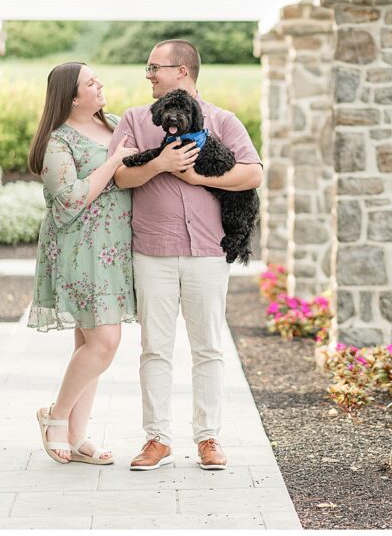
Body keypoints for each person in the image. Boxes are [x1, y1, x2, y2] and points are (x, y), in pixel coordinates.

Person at [110, 39, 262, 471]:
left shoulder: (223, 120)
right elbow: (119, 177)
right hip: (153, 249)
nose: (149, 75)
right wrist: (158, 165)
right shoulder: (136, 120)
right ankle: (157, 438)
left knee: (209, 348)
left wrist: (195, 177)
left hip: (207, 251)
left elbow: (253, 172)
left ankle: (208, 437)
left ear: (183, 71)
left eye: (154, 67)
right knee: (155, 348)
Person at [26, 61, 138, 464]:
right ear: (72, 97)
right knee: (105, 343)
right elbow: (70, 201)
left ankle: (77, 434)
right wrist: (113, 162)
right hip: (80, 251)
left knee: (89, 344)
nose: (100, 84)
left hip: (113, 250)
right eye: (91, 82)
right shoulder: (58, 142)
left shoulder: (114, 125)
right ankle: (55, 417)